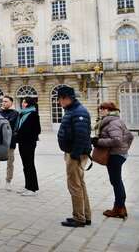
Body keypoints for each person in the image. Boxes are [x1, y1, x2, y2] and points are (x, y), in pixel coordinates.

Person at [56, 86, 92, 228]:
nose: (59, 103)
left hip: (75, 154)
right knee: (80, 185)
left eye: (59, 99)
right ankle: (85, 215)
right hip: (74, 153)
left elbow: (82, 135)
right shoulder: (73, 110)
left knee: (74, 186)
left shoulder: (78, 112)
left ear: (65, 98)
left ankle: (79, 218)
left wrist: (75, 155)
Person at [93, 101, 134, 219]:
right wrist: (124, 149)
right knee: (116, 181)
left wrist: (98, 141)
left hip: (115, 155)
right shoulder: (115, 121)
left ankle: (118, 209)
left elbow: (117, 140)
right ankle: (121, 207)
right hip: (118, 154)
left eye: (102, 108)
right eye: (100, 109)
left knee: (116, 181)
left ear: (109, 110)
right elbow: (129, 136)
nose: (100, 110)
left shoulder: (112, 122)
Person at [15, 97, 41, 196]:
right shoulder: (22, 114)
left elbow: (37, 130)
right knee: (25, 165)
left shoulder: (33, 114)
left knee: (29, 165)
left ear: (27, 104)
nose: (22, 103)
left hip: (29, 143)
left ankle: (33, 188)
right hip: (22, 142)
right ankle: (27, 186)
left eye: (23, 102)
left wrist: (25, 134)